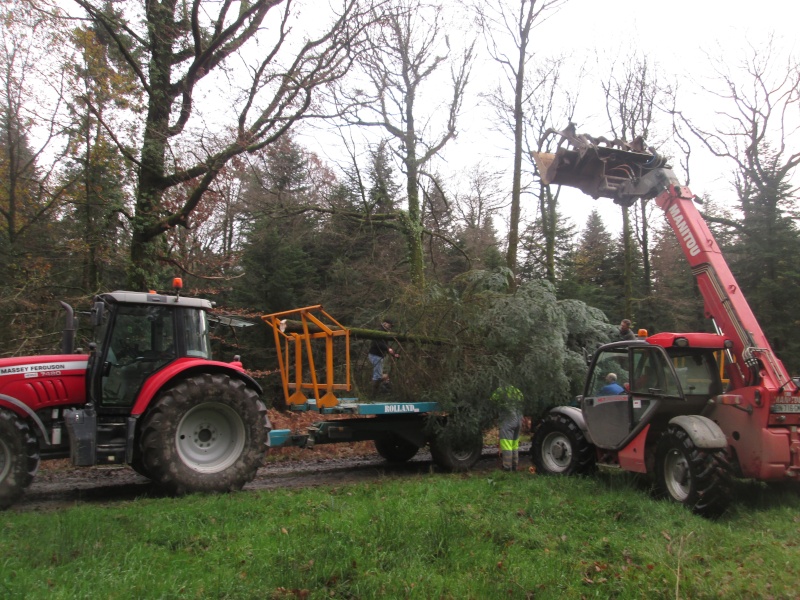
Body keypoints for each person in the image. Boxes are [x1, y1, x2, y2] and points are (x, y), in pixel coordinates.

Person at [491, 385, 524, 472]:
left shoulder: (501, 391)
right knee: (514, 445)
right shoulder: (517, 391)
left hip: (509, 421)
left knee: (506, 445)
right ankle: (514, 466)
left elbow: (492, 402)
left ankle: (507, 467)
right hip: (519, 421)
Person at [368, 319, 399, 395]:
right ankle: (373, 395)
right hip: (375, 355)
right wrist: (388, 349)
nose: (390, 327)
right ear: (385, 324)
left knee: (380, 375)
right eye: (389, 325)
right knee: (377, 376)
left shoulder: (384, 333)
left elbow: (386, 346)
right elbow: (378, 343)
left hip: (379, 356)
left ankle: (377, 391)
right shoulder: (379, 331)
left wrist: (393, 354)